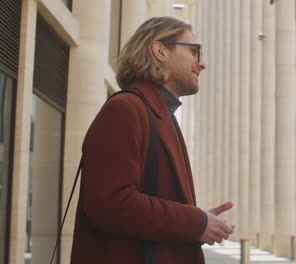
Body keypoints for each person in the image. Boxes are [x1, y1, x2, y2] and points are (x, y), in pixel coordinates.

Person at [71, 17, 234, 264]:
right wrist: (194, 222)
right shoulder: (126, 109)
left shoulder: (157, 113)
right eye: (193, 51)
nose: (202, 64)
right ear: (160, 51)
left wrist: (199, 224)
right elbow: (111, 204)